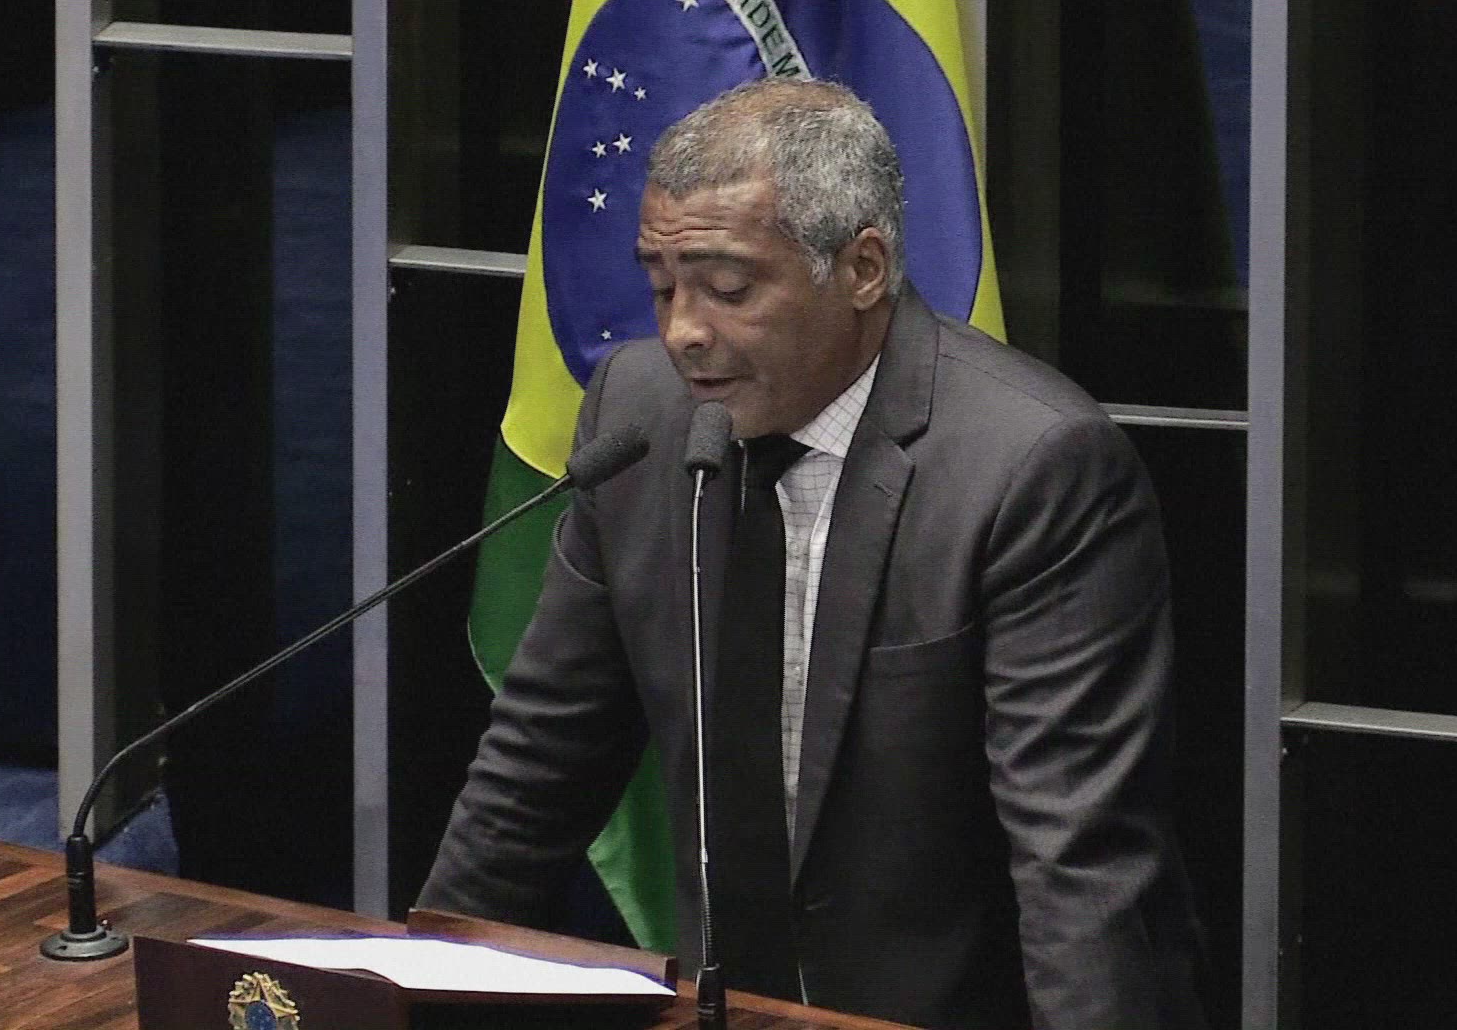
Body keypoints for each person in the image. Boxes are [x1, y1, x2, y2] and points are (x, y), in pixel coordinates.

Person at [420, 79, 1203, 1029]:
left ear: (863, 268)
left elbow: (1078, 864)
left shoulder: (1030, 466)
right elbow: (537, 770)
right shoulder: (640, 416)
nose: (683, 331)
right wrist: (418, 997)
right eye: (662, 285)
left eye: (728, 288)